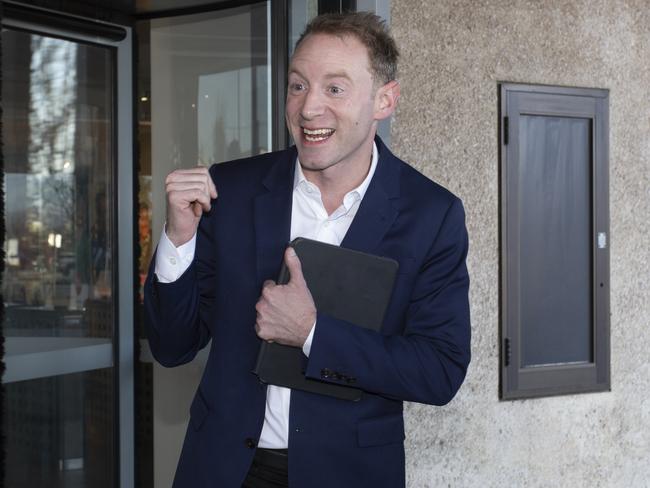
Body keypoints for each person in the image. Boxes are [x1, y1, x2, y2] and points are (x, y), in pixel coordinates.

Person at [145, 11, 471, 488]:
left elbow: (439, 372)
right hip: (222, 469)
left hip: (347, 474)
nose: (308, 108)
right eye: (298, 86)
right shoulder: (230, 191)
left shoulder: (431, 215)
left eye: (335, 89)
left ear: (385, 99)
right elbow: (172, 347)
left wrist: (313, 332)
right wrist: (178, 240)